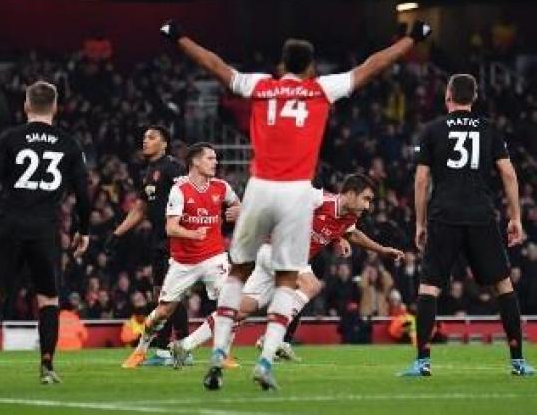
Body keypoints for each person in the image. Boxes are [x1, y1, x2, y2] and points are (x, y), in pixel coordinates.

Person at [160, 19, 431, 390]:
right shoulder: (320, 90)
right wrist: (412, 39)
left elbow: (214, 65)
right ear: (310, 68)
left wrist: (178, 36)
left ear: (281, 66)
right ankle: (266, 359)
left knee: (237, 273)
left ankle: (217, 354)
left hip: (259, 188)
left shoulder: (261, 86)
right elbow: (374, 65)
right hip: (296, 193)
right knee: (292, 281)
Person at [169, 174, 403, 366]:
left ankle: (184, 345)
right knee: (312, 285)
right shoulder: (319, 199)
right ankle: (275, 337)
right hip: (280, 250)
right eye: (366, 199)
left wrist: (380, 249)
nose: (368, 206)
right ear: (350, 193)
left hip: (272, 257)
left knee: (241, 310)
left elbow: (352, 233)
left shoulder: (348, 216)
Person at [400, 73, 535, 377]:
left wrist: (420, 223)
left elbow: (422, 180)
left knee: (430, 287)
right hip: (480, 215)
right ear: (473, 98)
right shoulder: (489, 129)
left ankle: (422, 362)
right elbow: (509, 174)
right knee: (503, 285)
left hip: (444, 215)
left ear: (448, 95)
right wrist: (515, 217)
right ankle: (517, 361)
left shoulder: (433, 130)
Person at [0, 81, 91, 386]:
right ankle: (47, 366)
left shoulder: (9, 138)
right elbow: (84, 195)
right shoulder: (69, 143)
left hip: (10, 223)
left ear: (26, 106)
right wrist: (82, 230)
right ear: (56, 107)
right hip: (45, 227)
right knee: (48, 299)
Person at [122, 142, 240, 368]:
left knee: (231, 305)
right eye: (210, 158)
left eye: (215, 158)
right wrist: (193, 233)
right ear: (195, 161)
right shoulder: (180, 190)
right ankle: (141, 349)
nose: (215, 162)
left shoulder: (222, 187)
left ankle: (221, 352)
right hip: (183, 262)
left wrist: (239, 212)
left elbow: (238, 206)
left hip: (214, 257)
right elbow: (171, 228)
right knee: (163, 311)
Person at [106, 125, 188, 366]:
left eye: (151, 138)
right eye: (144, 137)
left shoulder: (173, 168)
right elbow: (141, 208)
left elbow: (190, 197)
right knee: (160, 295)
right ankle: (163, 351)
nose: (145, 141)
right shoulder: (150, 171)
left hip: (174, 239)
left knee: (170, 294)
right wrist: (117, 233)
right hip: (158, 239)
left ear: (164, 143)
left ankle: (181, 347)